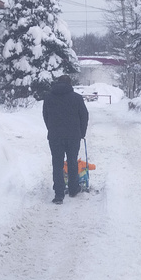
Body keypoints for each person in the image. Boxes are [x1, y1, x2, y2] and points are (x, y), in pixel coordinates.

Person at [42, 75, 89, 204]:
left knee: (57, 164)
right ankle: (73, 189)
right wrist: (82, 133)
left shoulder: (48, 98)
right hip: (73, 136)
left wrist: (51, 128)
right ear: (70, 84)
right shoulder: (77, 98)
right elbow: (84, 116)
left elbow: (46, 116)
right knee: (72, 161)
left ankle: (58, 194)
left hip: (55, 136)